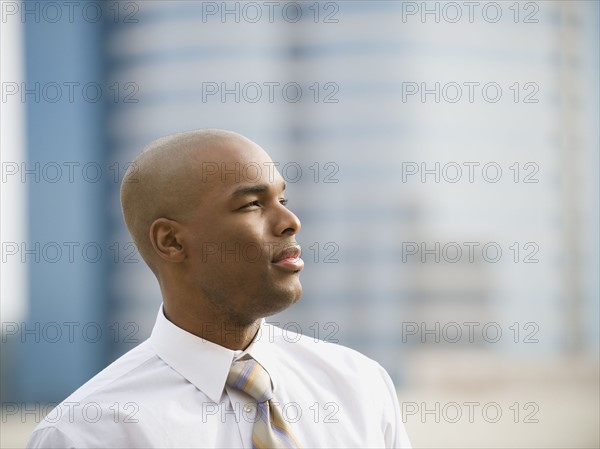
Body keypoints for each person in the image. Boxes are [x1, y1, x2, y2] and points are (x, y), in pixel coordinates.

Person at [27, 129, 411, 448]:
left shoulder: (359, 386)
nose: (290, 221)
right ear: (172, 241)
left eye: (283, 199)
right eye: (252, 204)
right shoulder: (87, 435)